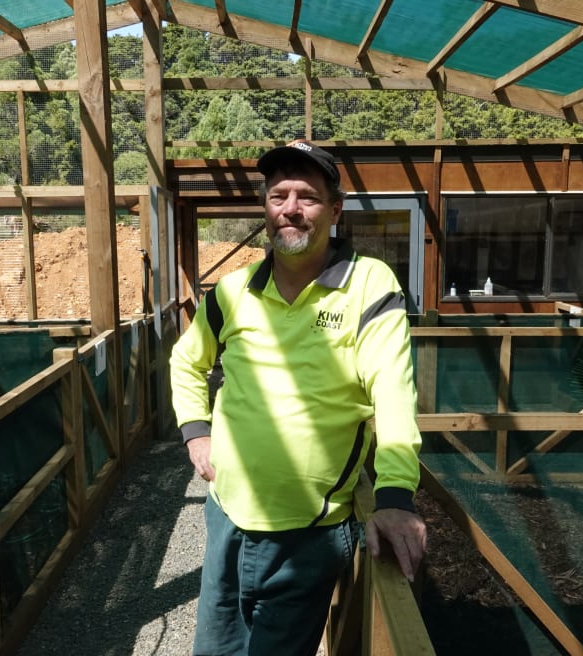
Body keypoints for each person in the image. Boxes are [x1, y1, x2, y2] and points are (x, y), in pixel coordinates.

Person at [169, 140, 426, 655]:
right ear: (265, 207)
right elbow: (186, 361)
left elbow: (393, 393)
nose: (290, 208)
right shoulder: (233, 291)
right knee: (215, 649)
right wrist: (197, 434)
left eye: (306, 196)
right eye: (278, 195)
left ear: (334, 211)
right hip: (227, 514)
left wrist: (395, 497)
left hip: (308, 532)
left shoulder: (369, 286)